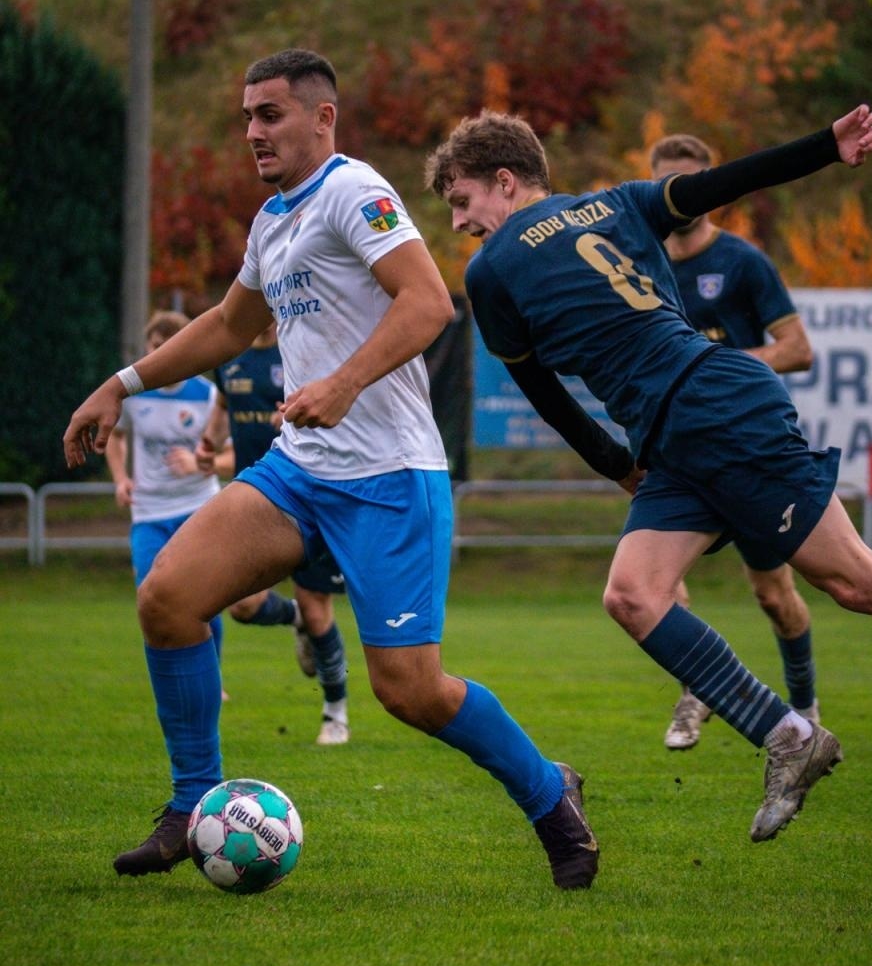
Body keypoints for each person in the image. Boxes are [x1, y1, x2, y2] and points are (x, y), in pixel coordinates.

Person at [63, 48, 635, 890]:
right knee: (168, 598)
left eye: (270, 114)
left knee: (411, 691)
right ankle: (191, 807)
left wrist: (340, 382)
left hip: (391, 478)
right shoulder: (273, 220)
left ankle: (552, 794)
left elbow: (430, 302)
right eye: (247, 116)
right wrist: (121, 383)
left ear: (321, 117)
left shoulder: (353, 191)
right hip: (300, 471)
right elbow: (227, 325)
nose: (253, 130)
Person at [426, 103, 872, 844]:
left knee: (860, 583)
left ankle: (789, 736)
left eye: (461, 201)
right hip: (685, 428)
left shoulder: (490, 271)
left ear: (506, 181)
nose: (458, 223)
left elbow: (546, 398)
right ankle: (789, 738)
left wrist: (616, 467)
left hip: (711, 413)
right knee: (633, 595)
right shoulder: (619, 201)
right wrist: (827, 147)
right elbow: (725, 182)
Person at [648, 132, 819, 751]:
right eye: (672, 184)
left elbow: (798, 349)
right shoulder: (640, 262)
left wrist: (717, 365)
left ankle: (805, 708)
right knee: (652, 589)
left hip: (745, 445)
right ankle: (697, 693)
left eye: (694, 181)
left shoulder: (743, 262)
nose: (684, 197)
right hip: (673, 447)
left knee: (774, 596)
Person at [170, 321, 353, 745]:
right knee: (242, 607)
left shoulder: (298, 350)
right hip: (253, 497)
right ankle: (295, 620)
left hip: (308, 494)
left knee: (318, 609)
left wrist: (295, 414)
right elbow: (222, 407)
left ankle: (335, 713)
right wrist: (208, 445)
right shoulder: (231, 358)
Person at [103, 311, 225, 751]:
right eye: (154, 349)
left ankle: (213, 677)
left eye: (168, 347)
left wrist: (200, 462)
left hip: (199, 505)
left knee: (206, 597)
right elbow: (116, 438)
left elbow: (227, 453)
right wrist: (121, 478)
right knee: (152, 596)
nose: (160, 356)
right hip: (150, 510)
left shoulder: (208, 394)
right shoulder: (135, 395)